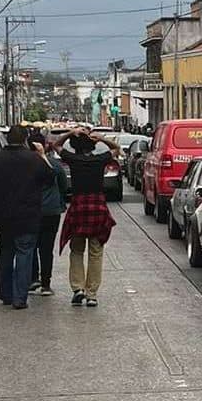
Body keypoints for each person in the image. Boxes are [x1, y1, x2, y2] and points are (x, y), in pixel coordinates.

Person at [0, 124, 55, 309]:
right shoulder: (33, 160)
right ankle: (20, 297)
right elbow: (51, 178)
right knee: (25, 254)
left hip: (2, 216)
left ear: (7, 139)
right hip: (28, 216)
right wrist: (42, 155)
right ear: (25, 139)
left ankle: (5, 294)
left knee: (6, 251)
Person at [57, 127, 118, 307]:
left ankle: (78, 289)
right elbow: (116, 149)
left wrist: (70, 132)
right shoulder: (100, 159)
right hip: (97, 207)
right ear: (92, 146)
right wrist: (102, 139)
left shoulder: (73, 159)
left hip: (79, 208)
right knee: (96, 252)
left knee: (76, 250)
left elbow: (56, 145)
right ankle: (92, 294)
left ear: (75, 147)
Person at [32, 139, 70, 296]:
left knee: (30, 247)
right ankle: (46, 284)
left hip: (31, 211)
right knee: (46, 249)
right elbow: (63, 186)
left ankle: (33, 279)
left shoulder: (27, 166)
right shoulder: (54, 164)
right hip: (51, 211)